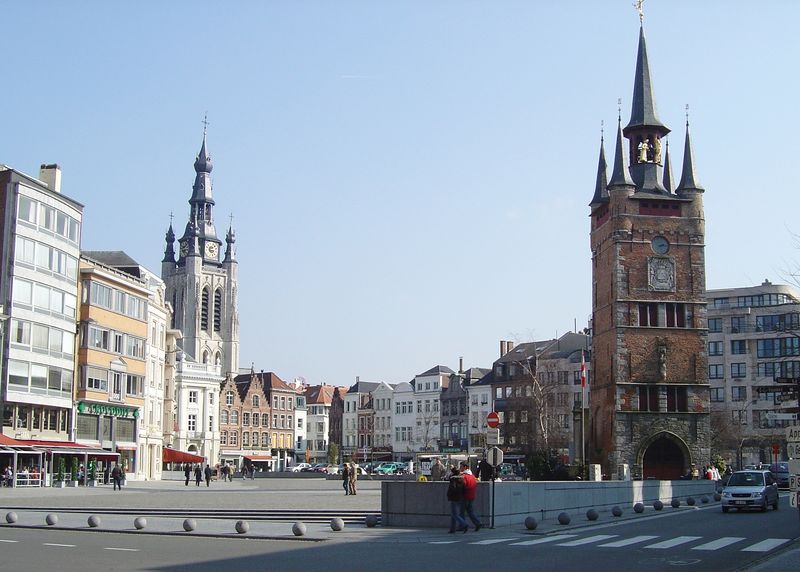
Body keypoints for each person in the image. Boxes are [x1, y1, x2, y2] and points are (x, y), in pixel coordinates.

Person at [459, 461, 482, 531]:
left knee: (461, 512)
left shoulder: (464, 476)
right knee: (470, 511)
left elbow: (462, 486)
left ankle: (462, 526)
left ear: (465, 467)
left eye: (461, 466)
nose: (460, 468)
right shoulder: (472, 476)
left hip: (465, 496)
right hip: (471, 496)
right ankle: (477, 523)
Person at [447, 466, 468, 533]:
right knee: (454, 513)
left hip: (454, 498)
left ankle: (464, 524)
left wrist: (449, 494)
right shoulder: (462, 479)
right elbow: (464, 489)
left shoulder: (453, 479)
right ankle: (452, 529)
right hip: (461, 497)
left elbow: (452, 488)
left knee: (454, 514)